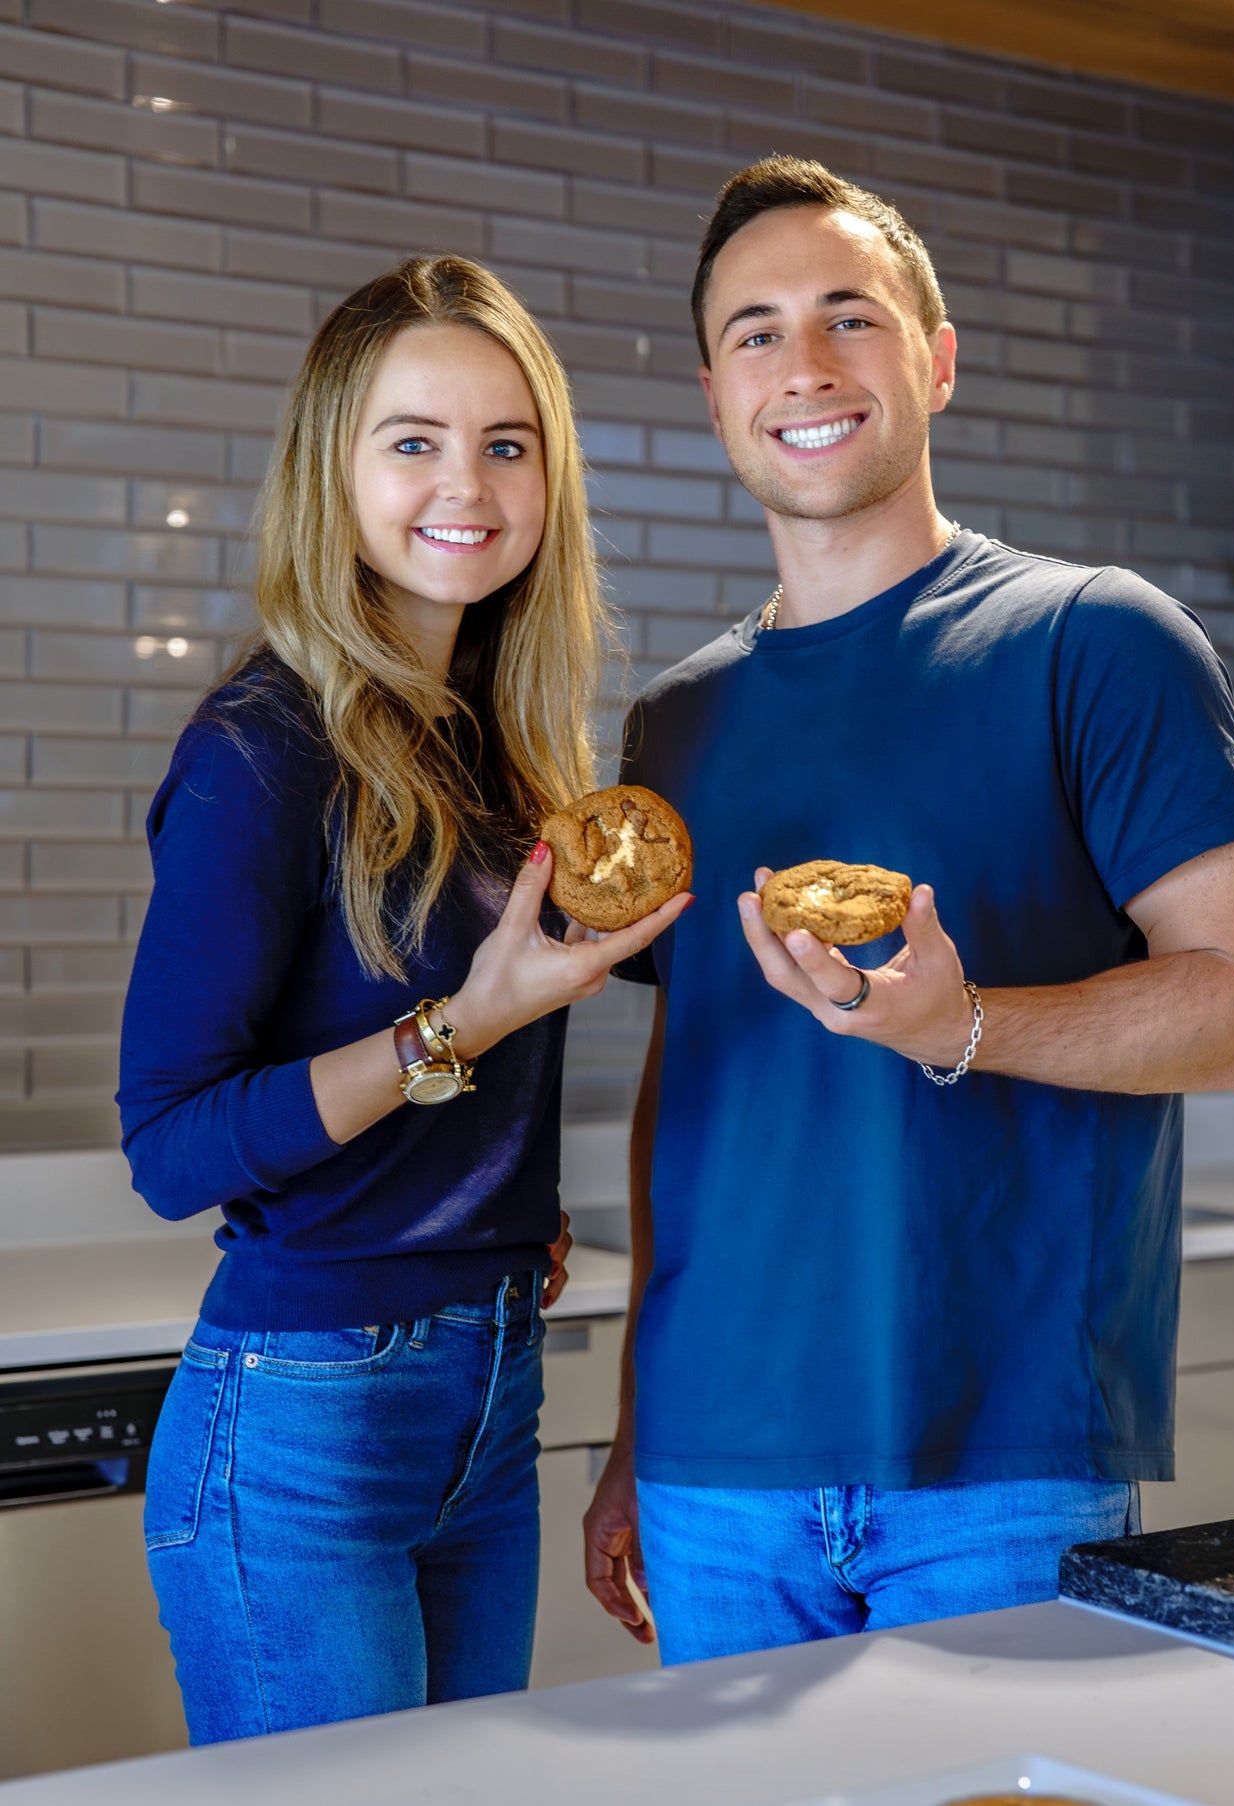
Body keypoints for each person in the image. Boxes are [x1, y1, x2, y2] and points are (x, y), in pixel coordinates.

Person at [583, 157, 1234, 1665]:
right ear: (715, 394)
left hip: (1000, 1459)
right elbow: (685, 1089)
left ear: (936, 356)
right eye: (758, 332)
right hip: (712, 1464)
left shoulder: (1094, 641)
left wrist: (958, 1023)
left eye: (850, 314)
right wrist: (632, 1420)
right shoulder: (673, 723)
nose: (806, 364)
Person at [118, 255, 688, 1742]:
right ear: (335, 466)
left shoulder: (499, 752)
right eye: (414, 440)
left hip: (487, 1396)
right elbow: (170, 1146)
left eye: (509, 443)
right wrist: (457, 1031)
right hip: (307, 1419)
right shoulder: (264, 748)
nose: (470, 484)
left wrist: (495, 1186)